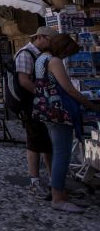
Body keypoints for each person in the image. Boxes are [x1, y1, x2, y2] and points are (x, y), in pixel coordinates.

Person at [32, 33, 100, 213]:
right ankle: (58, 197)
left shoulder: (41, 59)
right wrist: (91, 105)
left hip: (46, 110)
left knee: (58, 152)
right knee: (62, 154)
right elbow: (69, 89)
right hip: (59, 112)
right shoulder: (54, 61)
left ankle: (59, 192)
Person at [15, 26, 56, 199]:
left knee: (47, 142)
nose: (51, 45)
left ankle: (55, 181)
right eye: (50, 41)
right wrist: (43, 97)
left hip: (40, 104)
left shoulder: (40, 55)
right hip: (30, 105)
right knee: (34, 141)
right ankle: (34, 182)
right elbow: (24, 81)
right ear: (40, 38)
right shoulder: (26, 54)